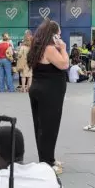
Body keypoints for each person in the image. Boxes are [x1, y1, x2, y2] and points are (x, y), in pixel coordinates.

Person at [26, 20, 69, 175]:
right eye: (59, 33)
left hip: (38, 88)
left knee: (40, 126)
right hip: (50, 92)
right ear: (53, 34)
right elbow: (64, 64)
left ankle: (47, 158)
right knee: (50, 127)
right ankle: (47, 163)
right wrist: (63, 49)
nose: (60, 35)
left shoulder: (37, 47)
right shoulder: (50, 49)